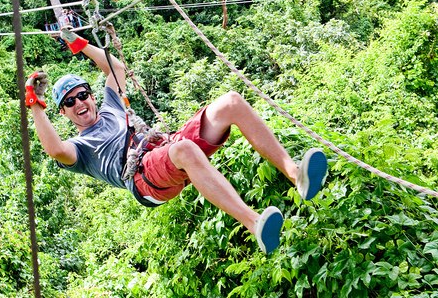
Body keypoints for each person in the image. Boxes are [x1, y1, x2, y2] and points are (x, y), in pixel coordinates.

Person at [25, 28, 328, 254]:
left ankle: (294, 172)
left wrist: (81, 44)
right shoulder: (80, 149)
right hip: (143, 178)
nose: (79, 104)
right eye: (69, 102)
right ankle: (254, 223)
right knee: (182, 150)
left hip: (164, 149)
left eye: (82, 95)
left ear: (91, 96)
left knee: (231, 103)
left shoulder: (112, 107)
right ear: (63, 113)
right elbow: (54, 149)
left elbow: (115, 69)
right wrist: (36, 104)